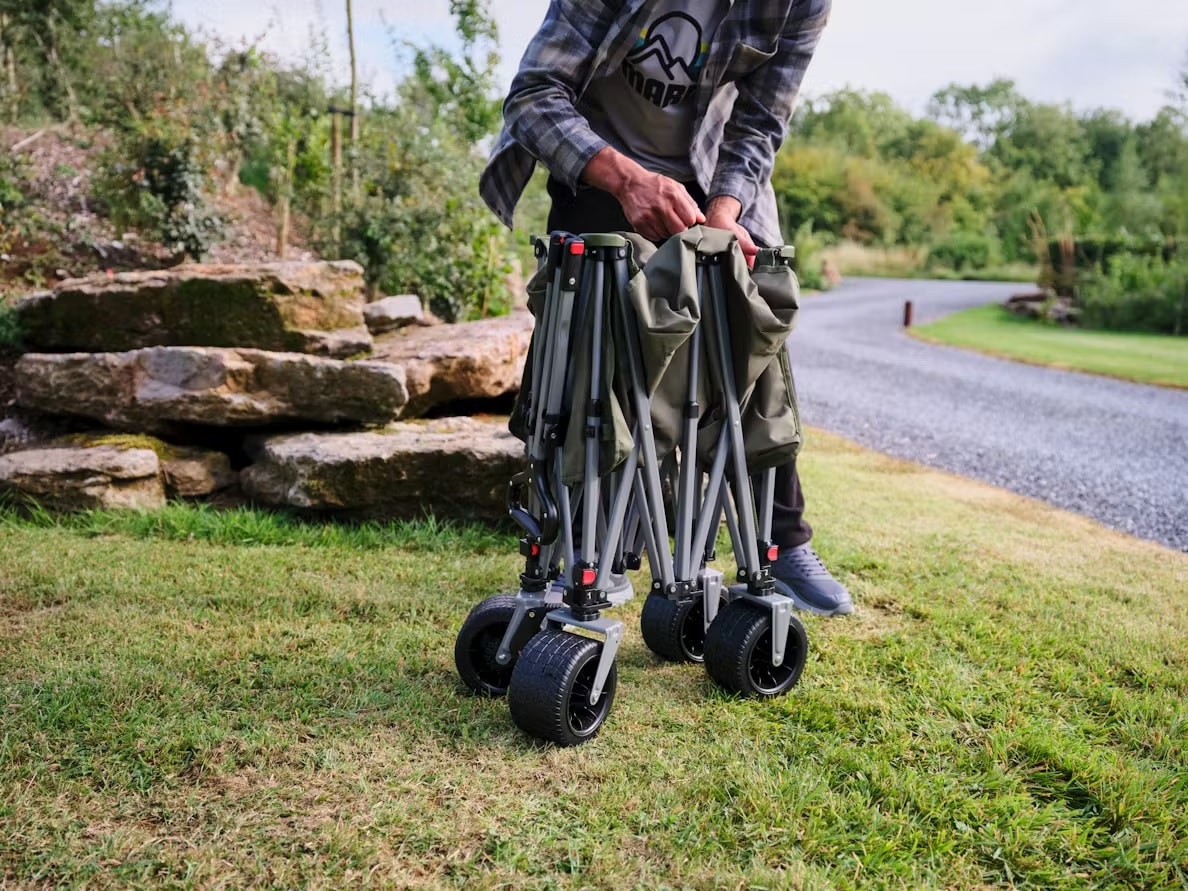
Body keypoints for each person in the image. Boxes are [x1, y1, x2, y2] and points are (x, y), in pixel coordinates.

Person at [480, 0, 852, 616]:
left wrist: (727, 213)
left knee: (752, 339)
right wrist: (626, 180)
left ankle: (781, 544)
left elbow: (760, 121)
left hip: (716, 177)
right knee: (591, 346)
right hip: (600, 166)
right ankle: (588, 549)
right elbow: (533, 96)